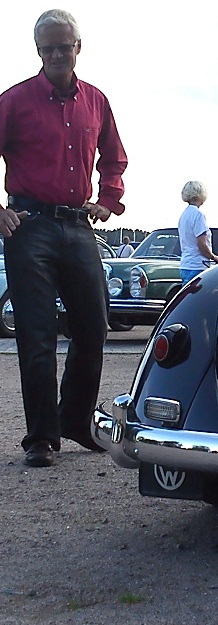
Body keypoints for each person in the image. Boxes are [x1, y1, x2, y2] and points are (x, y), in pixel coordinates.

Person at [0, 10, 127, 467]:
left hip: (77, 226)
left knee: (93, 326)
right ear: (38, 51)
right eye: (48, 48)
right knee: (36, 333)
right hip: (29, 226)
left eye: (63, 46)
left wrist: (108, 199)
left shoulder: (96, 101)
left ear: (78, 47)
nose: (56, 55)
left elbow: (114, 157)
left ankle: (74, 419)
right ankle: (41, 437)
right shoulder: (14, 101)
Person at [177, 181, 218, 284]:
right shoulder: (198, 215)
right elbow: (202, 244)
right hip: (198, 265)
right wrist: (214, 257)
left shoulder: (184, 215)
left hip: (185, 265)